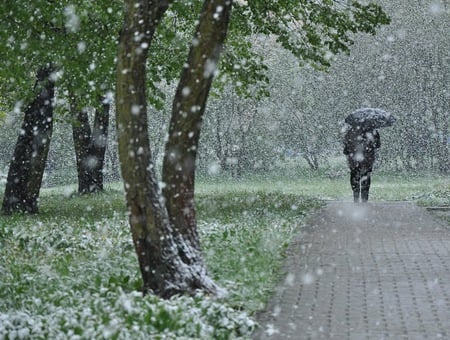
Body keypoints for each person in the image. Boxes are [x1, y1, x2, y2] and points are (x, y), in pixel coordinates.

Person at [343, 126, 380, 203]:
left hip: (354, 159)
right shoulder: (373, 131)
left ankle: (356, 197)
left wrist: (351, 150)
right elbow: (377, 145)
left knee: (354, 176)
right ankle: (364, 198)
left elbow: (346, 149)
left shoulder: (350, 131)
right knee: (366, 176)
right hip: (367, 159)